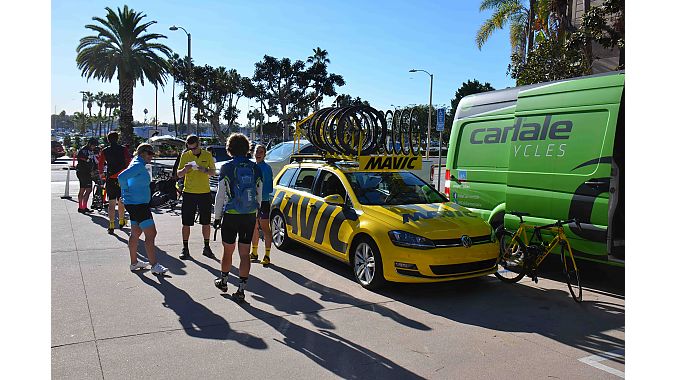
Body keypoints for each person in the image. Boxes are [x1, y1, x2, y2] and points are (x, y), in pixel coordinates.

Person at [213, 133, 262, 302]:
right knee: (245, 253)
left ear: (230, 149)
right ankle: (241, 289)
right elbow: (259, 194)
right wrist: (256, 214)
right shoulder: (255, 167)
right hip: (248, 215)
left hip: (231, 215)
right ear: (247, 148)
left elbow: (220, 195)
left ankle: (224, 281)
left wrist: (217, 216)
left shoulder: (226, 167)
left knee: (228, 250)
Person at [117, 143, 168, 275]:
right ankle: (154, 265)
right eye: (150, 154)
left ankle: (134, 263)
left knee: (135, 232)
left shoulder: (137, 162)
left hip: (136, 203)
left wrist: (126, 194)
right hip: (138, 204)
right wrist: (125, 192)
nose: (151, 157)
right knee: (151, 234)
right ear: (143, 153)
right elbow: (122, 177)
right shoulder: (138, 164)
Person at [176, 135, 216, 259]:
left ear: (199, 144)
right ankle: (185, 248)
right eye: (190, 148)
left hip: (204, 193)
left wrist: (205, 170)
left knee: (206, 222)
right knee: (186, 222)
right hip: (189, 193)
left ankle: (207, 247)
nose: (192, 151)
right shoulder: (185, 155)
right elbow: (178, 174)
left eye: (194, 148)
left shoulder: (207, 155)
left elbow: (213, 172)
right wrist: (185, 170)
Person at [98, 131, 132, 234]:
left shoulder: (105, 151)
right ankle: (121, 220)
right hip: (122, 178)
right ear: (117, 139)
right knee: (121, 200)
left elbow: (100, 164)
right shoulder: (123, 149)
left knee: (111, 202)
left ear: (108, 139)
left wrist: (101, 174)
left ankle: (111, 224)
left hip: (110, 178)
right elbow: (129, 161)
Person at [250, 144, 274, 266]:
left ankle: (267, 255)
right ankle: (254, 252)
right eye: (257, 151)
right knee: (254, 227)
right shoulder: (251, 166)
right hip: (252, 202)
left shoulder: (266, 168)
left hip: (263, 202)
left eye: (261, 152)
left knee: (265, 228)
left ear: (264, 154)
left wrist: (259, 197)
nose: (258, 153)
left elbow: (268, 188)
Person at [76, 138, 98, 213]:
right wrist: (87, 160)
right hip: (82, 172)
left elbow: (94, 161)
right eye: (93, 145)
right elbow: (80, 159)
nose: (94, 147)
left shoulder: (91, 151)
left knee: (88, 189)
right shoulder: (83, 150)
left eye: (95, 146)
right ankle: (80, 207)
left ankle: (84, 206)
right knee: (83, 189)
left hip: (88, 172)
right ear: (89, 144)